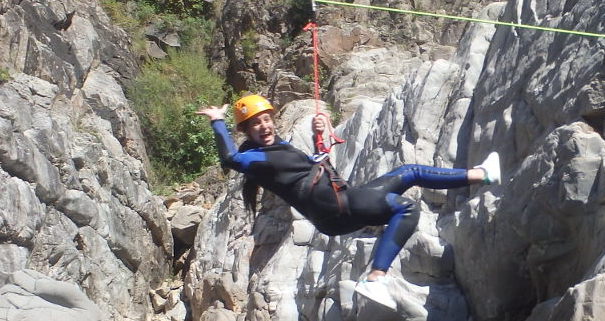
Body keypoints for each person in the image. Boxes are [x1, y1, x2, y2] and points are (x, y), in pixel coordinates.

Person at [196, 94, 500, 309]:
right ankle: (375, 278)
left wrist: (318, 139)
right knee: (406, 208)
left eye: (266, 119)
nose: (264, 126)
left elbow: (310, 167)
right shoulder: (255, 158)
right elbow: (229, 158)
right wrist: (218, 122)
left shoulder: (279, 147)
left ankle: (482, 174)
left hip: (337, 205)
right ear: (247, 131)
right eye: (255, 124)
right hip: (338, 206)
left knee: (411, 172)